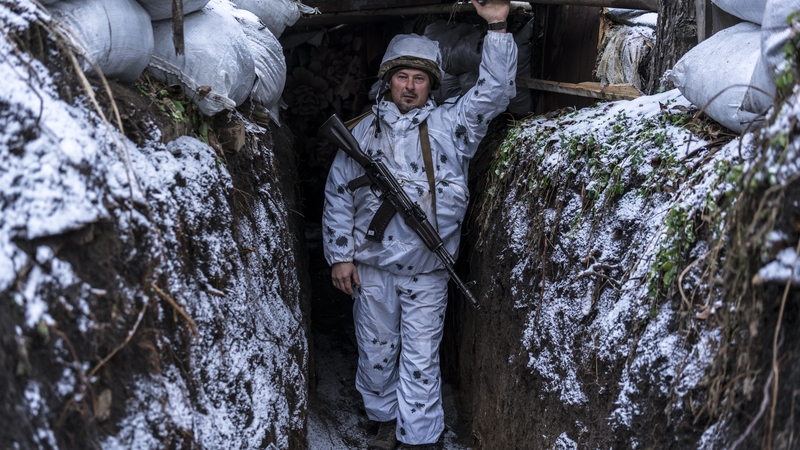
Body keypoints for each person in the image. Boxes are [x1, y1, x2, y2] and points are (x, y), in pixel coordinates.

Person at [322, 0, 517, 448]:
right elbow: (337, 195)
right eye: (402, 77)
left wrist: (498, 28)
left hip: (429, 268)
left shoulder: (452, 126)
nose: (409, 87)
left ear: (432, 85)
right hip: (371, 268)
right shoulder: (361, 134)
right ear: (388, 80)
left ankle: (420, 436)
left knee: (420, 358)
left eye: (419, 78)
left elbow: (495, 92)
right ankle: (383, 418)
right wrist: (341, 257)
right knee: (375, 353)